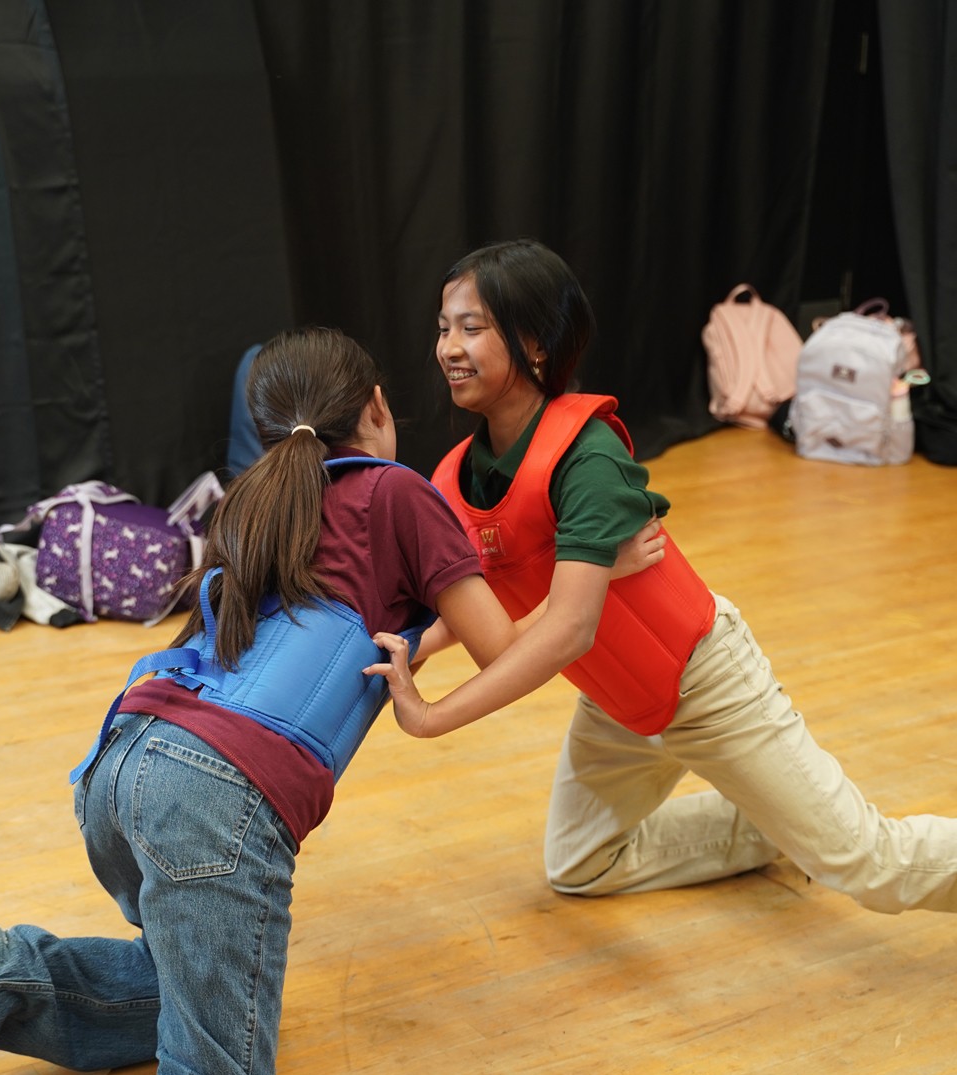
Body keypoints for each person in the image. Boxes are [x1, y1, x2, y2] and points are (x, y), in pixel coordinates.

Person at [0, 324, 666, 1075]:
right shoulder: (397, 491)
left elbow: (386, 623)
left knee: (193, 980)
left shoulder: (256, 503)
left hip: (119, 764)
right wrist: (591, 570)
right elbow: (506, 649)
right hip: (213, 798)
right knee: (216, 1056)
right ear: (375, 406)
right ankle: (3, 979)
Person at [370, 237, 957, 916]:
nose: (448, 347)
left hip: (702, 681)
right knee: (580, 864)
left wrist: (433, 716)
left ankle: (803, 821)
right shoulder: (458, 474)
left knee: (870, 868)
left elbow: (565, 628)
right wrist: (415, 646)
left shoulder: (585, 455)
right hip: (618, 699)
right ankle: (773, 820)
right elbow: (491, 612)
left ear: (534, 343)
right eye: (444, 328)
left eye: (472, 328)